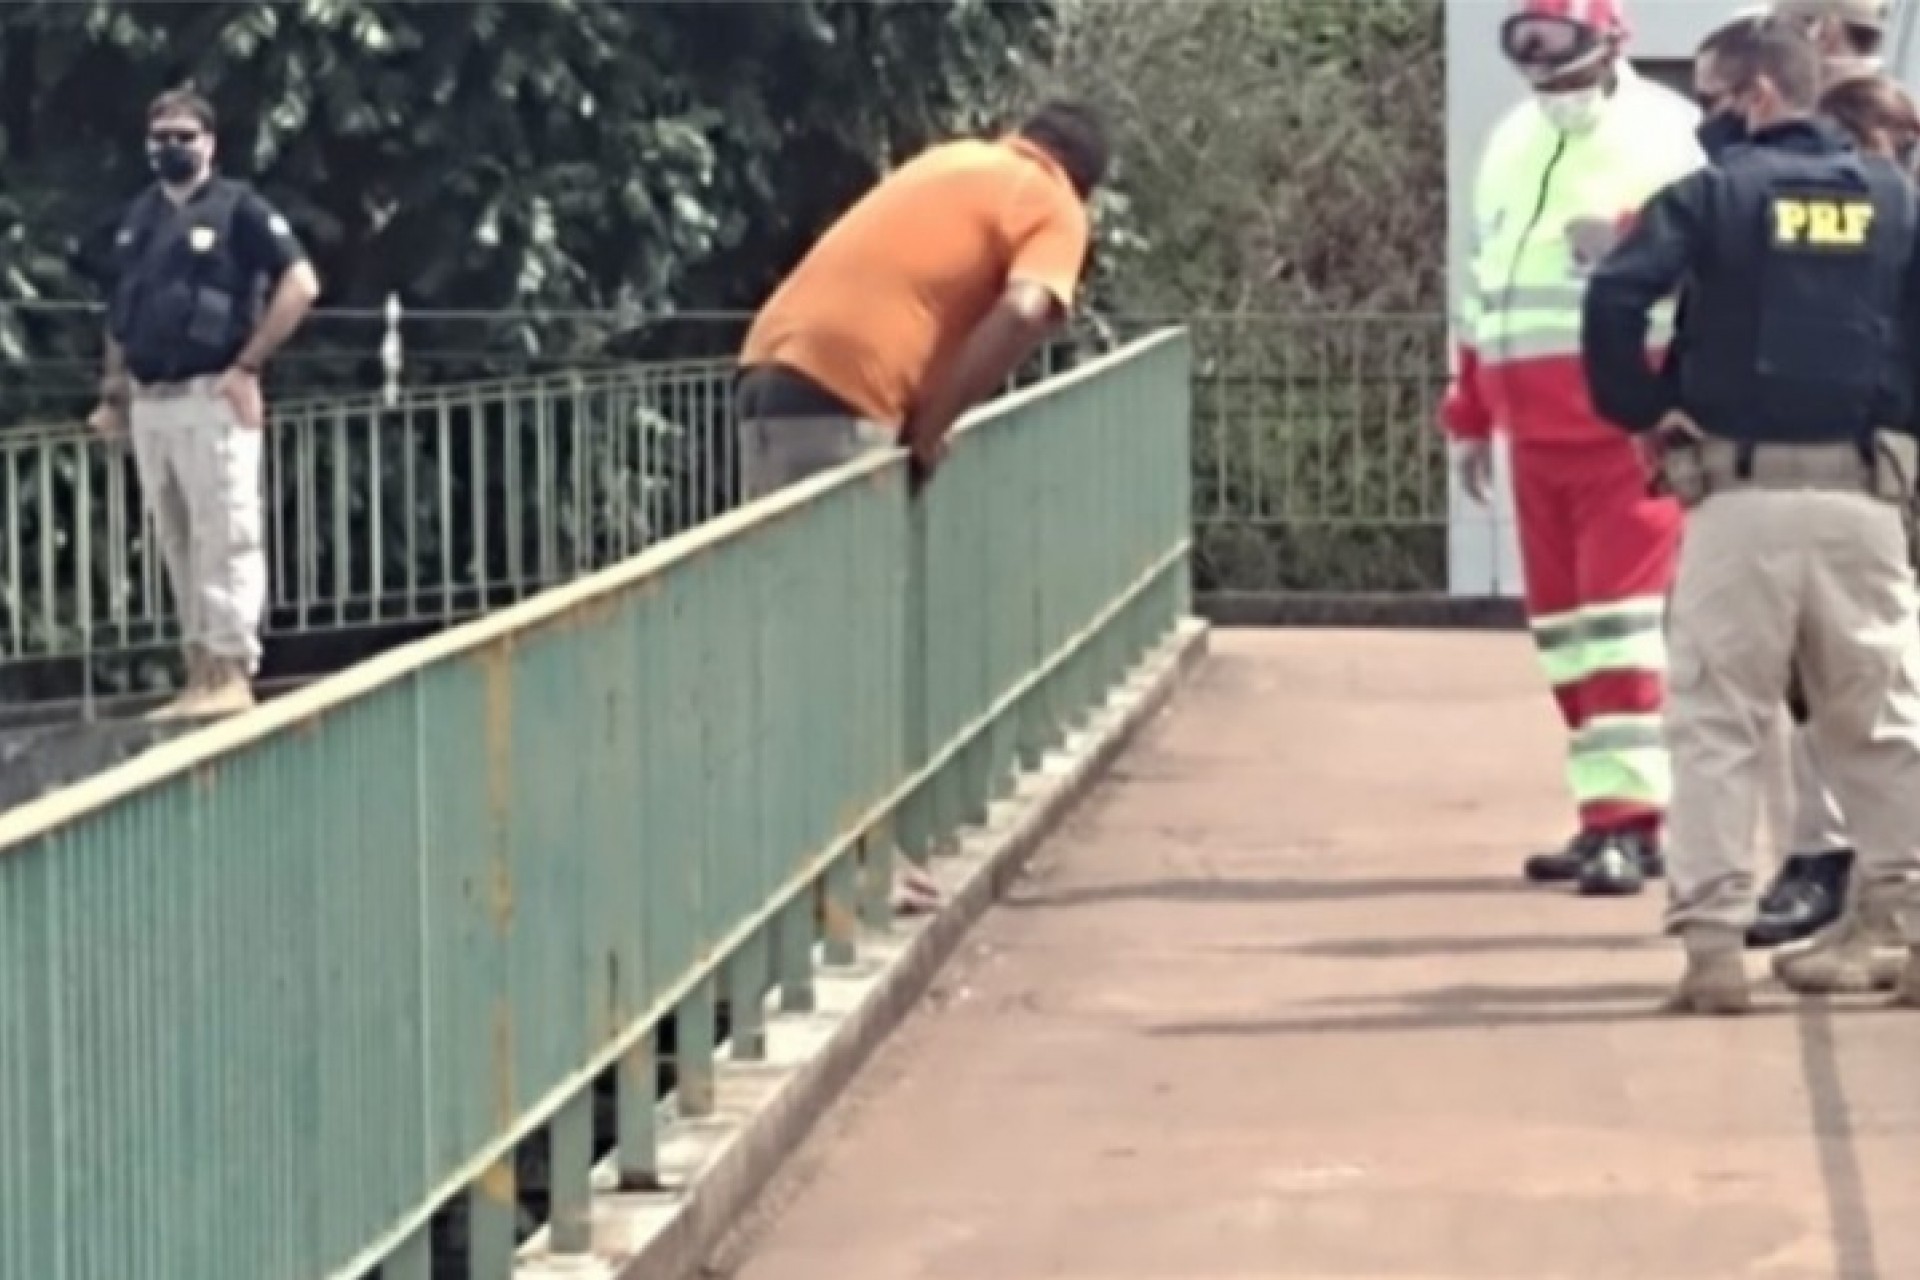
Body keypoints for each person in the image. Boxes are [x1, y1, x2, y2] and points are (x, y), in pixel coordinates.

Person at [1581, 16, 1920, 1014]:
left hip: (1739, 499)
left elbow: (1615, 298)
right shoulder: (1896, 202)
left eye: (1714, 94)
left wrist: (1642, 407)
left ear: (1759, 96)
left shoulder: (1710, 197)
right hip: (1865, 500)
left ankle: (1716, 949)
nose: (1706, 114)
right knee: (1881, 719)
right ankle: (1908, 917)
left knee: (1720, 721)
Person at [1442, 0, 1704, 896]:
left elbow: (1708, 258)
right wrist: (1470, 413)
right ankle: (1606, 811)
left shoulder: (1668, 131)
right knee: (1562, 635)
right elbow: (1483, 286)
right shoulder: (1512, 140)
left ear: (1609, 44)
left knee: (1621, 630)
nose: (1540, 65)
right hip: (1531, 430)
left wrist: (1630, 236)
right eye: (1525, 43)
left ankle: (1629, 823)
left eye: (1556, 44)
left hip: (1624, 427)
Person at [1709, 0, 1900, 952]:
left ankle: (1851, 878)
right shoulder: (1764, 166)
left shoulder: (1880, 165)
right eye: (1829, 33)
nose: (1842, 51)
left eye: (1858, 37)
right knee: (1829, 682)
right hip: (1838, 457)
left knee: (1855, 682)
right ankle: (1850, 881)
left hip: (1874, 460)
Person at [734, 99, 1108, 499]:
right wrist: (930, 429)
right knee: (852, 561)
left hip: (765, 363)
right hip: (850, 384)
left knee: (790, 559)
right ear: (1083, 184)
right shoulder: (1054, 199)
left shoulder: (953, 158)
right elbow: (1022, 311)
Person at [88, 88, 320, 718]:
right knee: (178, 538)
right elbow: (119, 314)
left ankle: (229, 671)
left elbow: (301, 283)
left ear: (210, 144)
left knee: (226, 531)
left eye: (184, 136)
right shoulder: (138, 218)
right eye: (160, 136)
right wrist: (113, 395)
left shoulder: (237, 208)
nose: (171, 147)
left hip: (212, 393)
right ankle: (197, 672)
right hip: (152, 400)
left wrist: (248, 365)